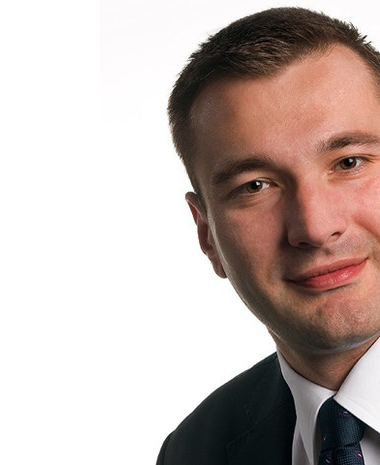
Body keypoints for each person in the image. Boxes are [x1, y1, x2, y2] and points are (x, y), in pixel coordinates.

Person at [158, 7, 380, 465]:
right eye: (255, 186)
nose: (315, 227)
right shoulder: (192, 451)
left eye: (349, 163)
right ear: (207, 235)